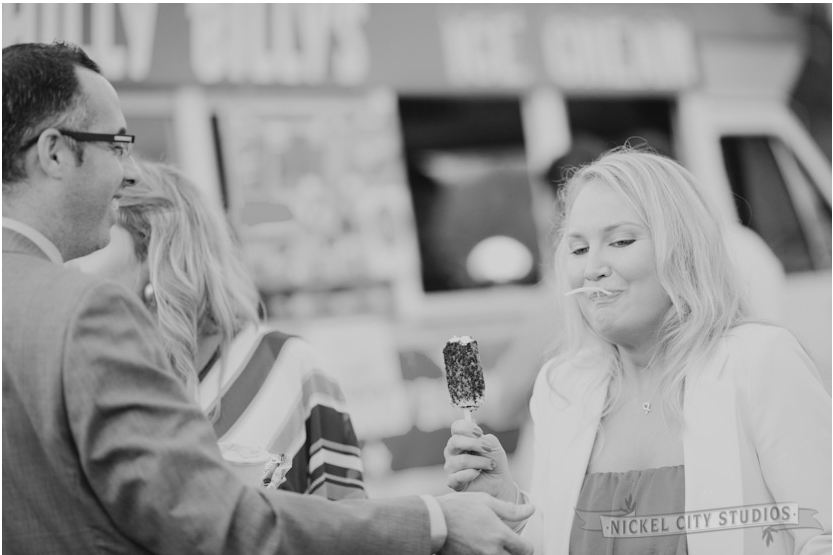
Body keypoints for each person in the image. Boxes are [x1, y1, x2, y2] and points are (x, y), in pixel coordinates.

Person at [3, 41, 535, 554]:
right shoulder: (84, 311)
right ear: (53, 151)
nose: (124, 169)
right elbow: (212, 519)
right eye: (116, 145)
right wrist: (435, 520)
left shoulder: (281, 363)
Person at [443, 147, 831, 554]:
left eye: (621, 241)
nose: (592, 266)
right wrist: (507, 502)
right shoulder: (563, 386)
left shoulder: (759, 362)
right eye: (577, 249)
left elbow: (823, 533)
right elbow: (552, 542)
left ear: (682, 249)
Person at [70, 159, 367, 500]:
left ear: (155, 248)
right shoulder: (93, 379)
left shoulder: (286, 366)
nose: (77, 259)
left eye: (101, 233)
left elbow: (348, 520)